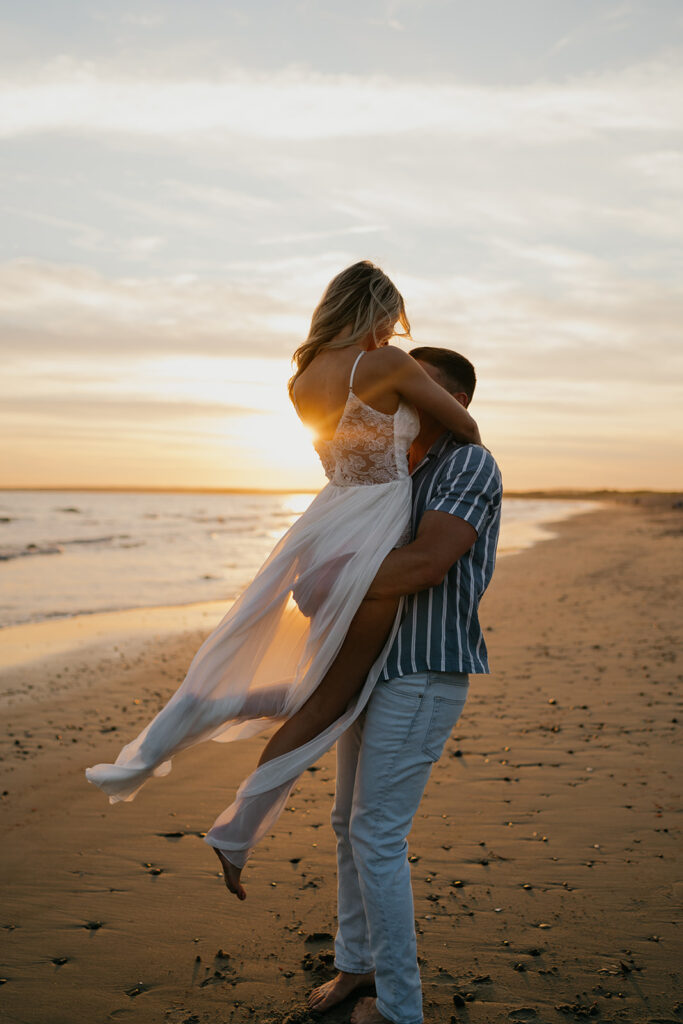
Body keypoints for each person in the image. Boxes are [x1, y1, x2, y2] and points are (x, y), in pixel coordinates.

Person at [85, 262, 481, 898]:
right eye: (390, 319)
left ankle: (194, 717)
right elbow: (463, 427)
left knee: (318, 692)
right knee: (328, 702)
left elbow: (346, 449)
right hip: (371, 531)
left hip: (325, 527)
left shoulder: (301, 382)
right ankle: (236, 830)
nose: (392, 332)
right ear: (375, 310)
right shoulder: (385, 366)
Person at [307, 346, 502, 1024]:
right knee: (345, 824)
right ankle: (355, 966)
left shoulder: (467, 463)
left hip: (420, 671)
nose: (406, 398)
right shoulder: (389, 470)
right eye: (403, 385)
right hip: (366, 666)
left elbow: (424, 564)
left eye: (423, 390)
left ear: (455, 404)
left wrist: (323, 583)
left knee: (376, 834)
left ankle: (399, 1009)